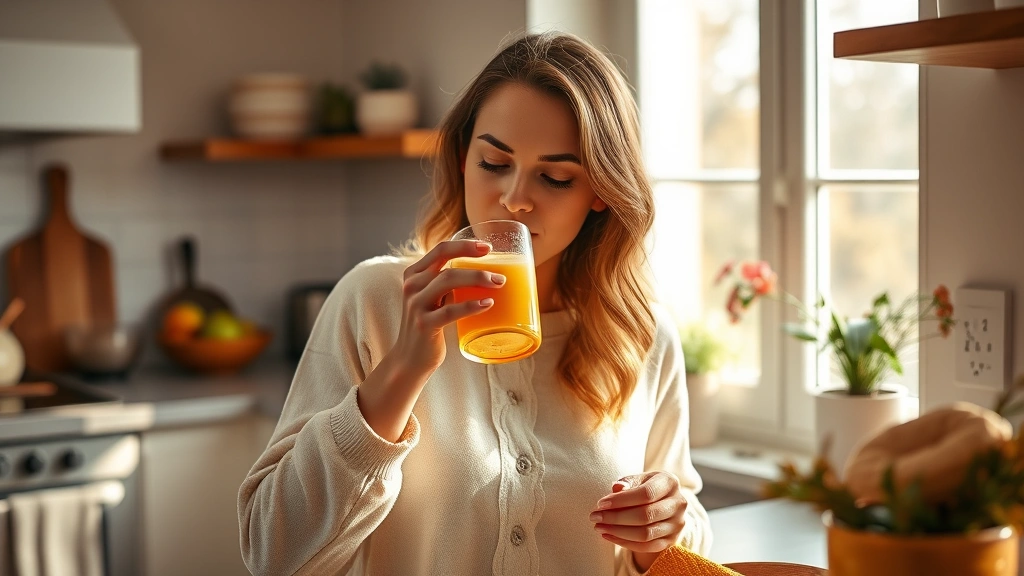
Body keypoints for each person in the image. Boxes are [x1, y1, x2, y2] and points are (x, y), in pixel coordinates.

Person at [238, 31, 712, 576]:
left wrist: (662, 534)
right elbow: (271, 554)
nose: (514, 199)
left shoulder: (641, 337)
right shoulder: (374, 302)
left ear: (600, 190)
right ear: (464, 159)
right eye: (493, 163)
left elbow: (688, 537)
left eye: (556, 177)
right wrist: (400, 373)